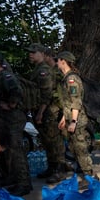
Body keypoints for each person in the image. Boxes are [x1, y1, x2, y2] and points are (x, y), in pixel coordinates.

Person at [0, 51, 31, 196]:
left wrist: (11, 105)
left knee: (16, 151)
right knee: (7, 151)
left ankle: (24, 183)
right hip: (4, 120)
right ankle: (11, 178)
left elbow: (17, 91)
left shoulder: (6, 76)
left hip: (13, 119)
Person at [55, 51, 97, 187]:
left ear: (63, 61)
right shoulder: (66, 78)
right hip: (70, 118)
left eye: (58, 60)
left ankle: (91, 177)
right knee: (74, 149)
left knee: (81, 149)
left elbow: (76, 101)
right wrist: (64, 118)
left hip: (76, 120)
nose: (56, 63)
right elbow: (67, 103)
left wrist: (73, 121)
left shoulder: (71, 79)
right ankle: (86, 174)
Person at [27, 44, 66, 182]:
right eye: (29, 52)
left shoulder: (44, 70)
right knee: (46, 141)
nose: (30, 54)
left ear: (42, 54)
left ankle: (60, 170)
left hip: (48, 111)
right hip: (40, 109)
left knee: (54, 141)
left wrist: (40, 112)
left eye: (34, 52)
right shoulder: (38, 69)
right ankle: (52, 167)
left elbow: (46, 93)